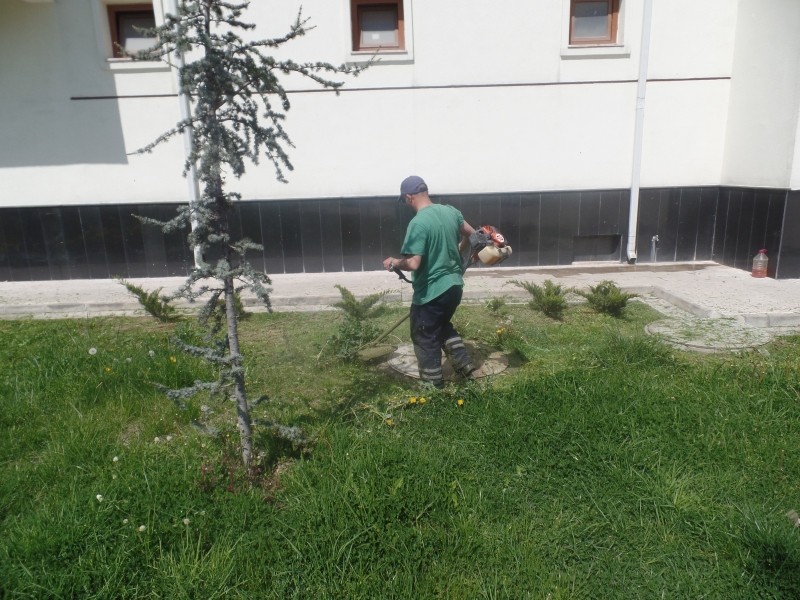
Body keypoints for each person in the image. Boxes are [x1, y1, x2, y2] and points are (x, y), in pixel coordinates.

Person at [383, 176, 477, 388]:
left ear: (408, 198)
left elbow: (414, 263)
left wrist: (393, 263)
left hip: (431, 292)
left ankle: (432, 387)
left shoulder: (418, 222)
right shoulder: (450, 212)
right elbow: (474, 236)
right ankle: (464, 365)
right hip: (454, 287)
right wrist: (458, 248)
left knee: (424, 335)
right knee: (441, 325)